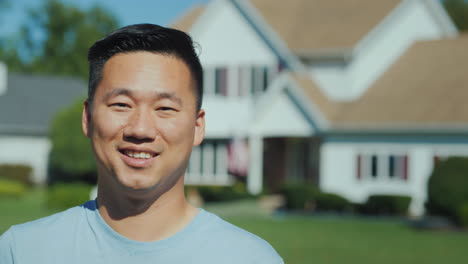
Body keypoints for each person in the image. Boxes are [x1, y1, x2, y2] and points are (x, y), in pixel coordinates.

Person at [0, 24, 283, 263]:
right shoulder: (22, 251)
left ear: (197, 127)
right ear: (87, 118)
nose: (141, 129)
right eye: (121, 104)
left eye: (165, 108)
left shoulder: (251, 258)